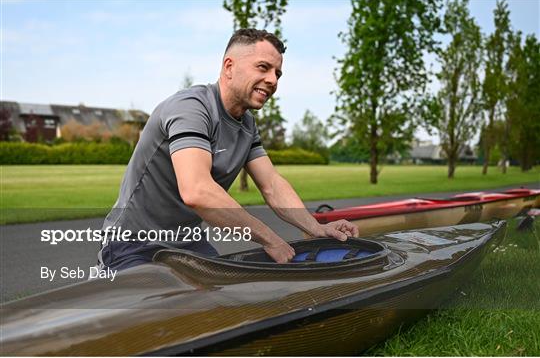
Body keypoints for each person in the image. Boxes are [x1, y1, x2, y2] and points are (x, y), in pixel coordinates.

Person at [98, 28, 358, 271]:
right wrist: (270, 239)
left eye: (277, 73)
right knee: (166, 315)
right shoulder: (191, 107)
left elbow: (272, 185)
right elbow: (197, 191)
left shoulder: (246, 125)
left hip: (186, 242)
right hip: (132, 245)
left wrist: (316, 228)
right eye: (263, 68)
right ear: (229, 67)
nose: (272, 80)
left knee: (228, 303)